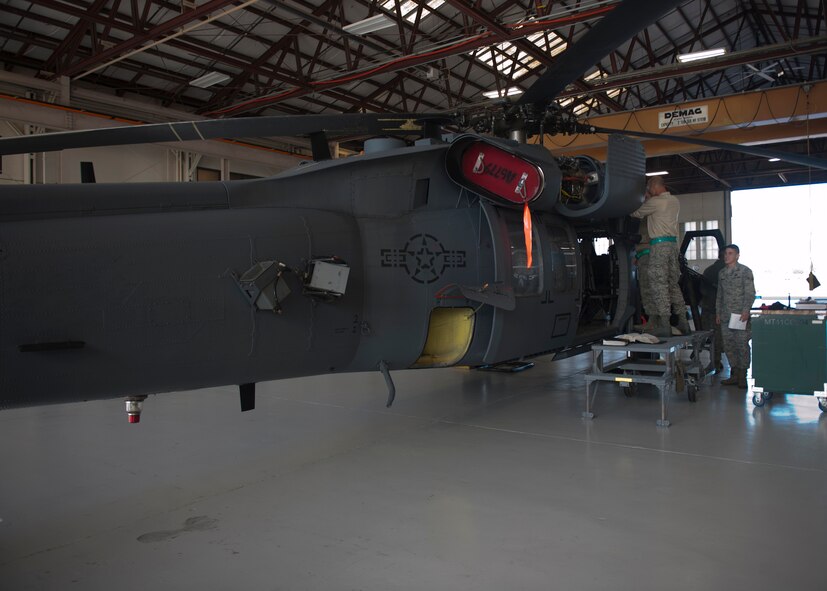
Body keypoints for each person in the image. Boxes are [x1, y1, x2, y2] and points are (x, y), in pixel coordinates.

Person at [630, 176, 689, 337]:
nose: (649, 191)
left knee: (658, 283)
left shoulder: (655, 202)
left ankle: (664, 324)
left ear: (654, 187)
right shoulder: (674, 201)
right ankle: (683, 321)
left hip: (659, 245)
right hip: (672, 246)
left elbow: (635, 213)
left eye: (649, 188)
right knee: (672, 284)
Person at [716, 244, 756, 388]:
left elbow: (750, 293)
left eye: (730, 253)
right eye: (725, 254)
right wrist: (718, 312)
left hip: (740, 315)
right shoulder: (722, 273)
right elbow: (719, 294)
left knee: (742, 345)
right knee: (729, 346)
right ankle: (734, 374)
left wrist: (746, 310)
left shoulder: (745, 271)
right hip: (726, 315)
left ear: (737, 255)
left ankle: (742, 376)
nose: (727, 256)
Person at [700, 250, 725, 371]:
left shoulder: (709, 270)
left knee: (712, 336)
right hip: (721, 310)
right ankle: (718, 362)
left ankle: (715, 361)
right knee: (720, 337)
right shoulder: (727, 270)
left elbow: (702, 290)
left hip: (708, 308)